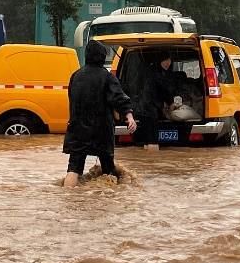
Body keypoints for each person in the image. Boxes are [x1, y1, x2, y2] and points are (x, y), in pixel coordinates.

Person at [63, 40, 137, 187]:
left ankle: (68, 199)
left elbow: (71, 99)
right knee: (108, 168)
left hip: (77, 128)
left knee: (74, 167)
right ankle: (106, 199)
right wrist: (129, 116)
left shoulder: (75, 76)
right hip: (101, 130)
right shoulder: (107, 77)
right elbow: (119, 98)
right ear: (102, 57)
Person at [137, 51, 181, 149]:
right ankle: (154, 161)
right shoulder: (156, 73)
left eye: (169, 60)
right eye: (165, 60)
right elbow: (164, 90)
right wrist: (171, 103)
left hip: (143, 110)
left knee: (147, 143)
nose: (167, 63)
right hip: (149, 110)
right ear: (159, 61)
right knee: (153, 142)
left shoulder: (153, 71)